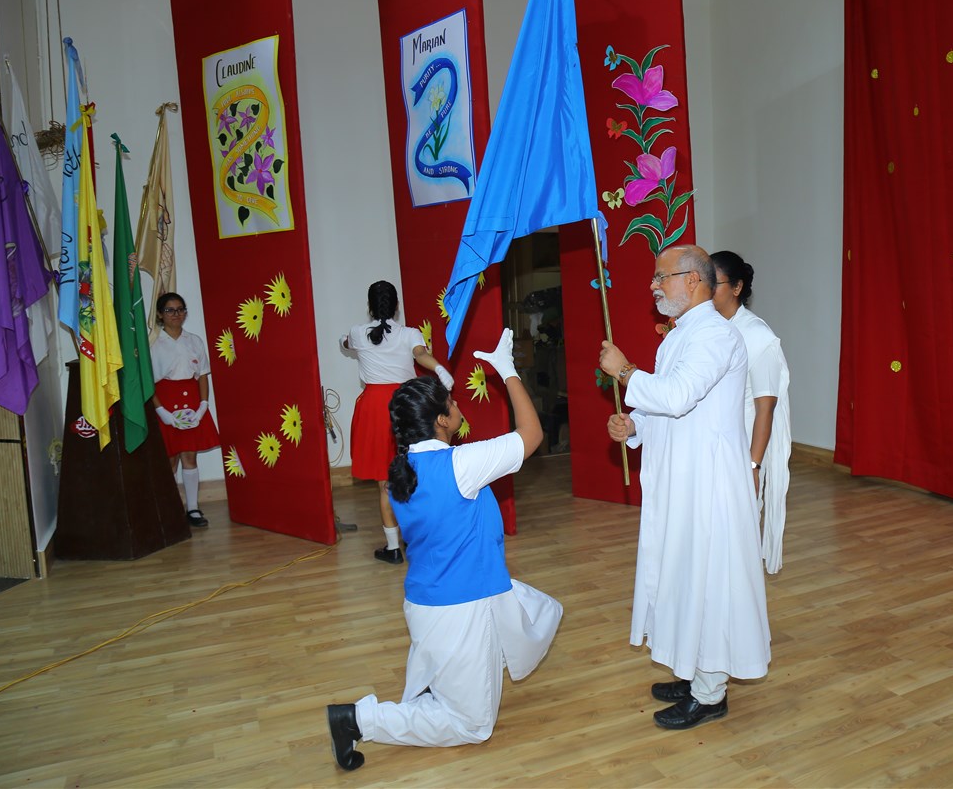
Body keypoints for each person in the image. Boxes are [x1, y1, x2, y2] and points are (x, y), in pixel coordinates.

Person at [326, 329, 562, 770]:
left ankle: (445, 683)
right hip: (460, 608)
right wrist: (507, 370)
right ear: (440, 420)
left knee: (539, 612)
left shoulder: (402, 469)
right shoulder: (460, 466)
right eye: (451, 404)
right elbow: (531, 434)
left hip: (436, 599)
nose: (457, 406)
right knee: (473, 725)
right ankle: (358, 720)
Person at [598, 244, 770, 730]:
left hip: (708, 485)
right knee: (681, 577)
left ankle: (710, 693)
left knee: (708, 582)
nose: (653, 285)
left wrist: (625, 371)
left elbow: (676, 397)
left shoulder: (715, 334)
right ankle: (693, 671)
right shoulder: (681, 335)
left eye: (661, 276)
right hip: (682, 479)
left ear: (693, 280)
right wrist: (636, 425)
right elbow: (669, 410)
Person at [342, 281, 453, 564]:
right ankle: (420, 538)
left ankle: (393, 549)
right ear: (397, 306)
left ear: (370, 306)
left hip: (374, 408)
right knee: (416, 472)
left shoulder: (358, 333)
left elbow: (345, 343)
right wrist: (440, 368)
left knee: (386, 481)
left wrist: (346, 340)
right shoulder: (409, 333)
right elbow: (420, 355)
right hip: (406, 405)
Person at [711, 251, 792, 575]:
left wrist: (753, 465)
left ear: (736, 287)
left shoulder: (758, 336)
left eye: (714, 283)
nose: (705, 289)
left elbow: (765, 408)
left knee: (735, 529)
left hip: (742, 444)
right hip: (712, 440)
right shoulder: (708, 328)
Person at [151, 292, 220, 528]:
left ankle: (192, 508)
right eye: (170, 310)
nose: (176, 314)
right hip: (165, 401)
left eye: (180, 309)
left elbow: (202, 375)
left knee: (190, 455)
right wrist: (161, 411)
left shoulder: (194, 341)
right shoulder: (153, 343)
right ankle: (170, 509)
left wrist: (203, 405)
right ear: (160, 314)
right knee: (170, 458)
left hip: (191, 401)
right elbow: (148, 382)